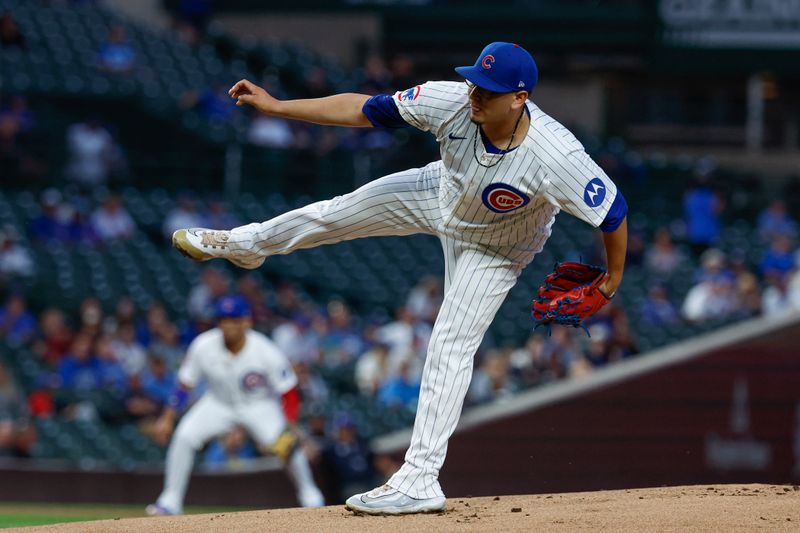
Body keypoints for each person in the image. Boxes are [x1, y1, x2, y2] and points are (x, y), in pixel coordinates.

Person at [171, 42, 628, 514]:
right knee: (336, 213)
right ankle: (246, 247)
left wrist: (610, 283)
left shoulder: (556, 154)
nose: (475, 95)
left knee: (451, 343)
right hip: (440, 191)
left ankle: (420, 479)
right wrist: (278, 106)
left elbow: (612, 212)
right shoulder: (449, 100)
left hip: (498, 246)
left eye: (489, 91)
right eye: (475, 82)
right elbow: (360, 109)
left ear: (519, 98)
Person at [145, 295, 324, 515]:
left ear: (246, 322)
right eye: (223, 319)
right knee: (184, 436)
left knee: (287, 444)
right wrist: (167, 417)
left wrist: (289, 423)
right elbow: (184, 385)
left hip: (259, 405)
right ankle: (170, 501)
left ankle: (311, 496)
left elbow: (288, 391)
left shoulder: (265, 350)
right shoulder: (204, 345)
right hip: (218, 402)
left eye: (233, 319)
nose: (227, 324)